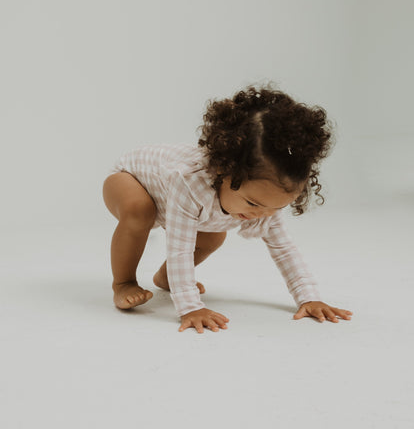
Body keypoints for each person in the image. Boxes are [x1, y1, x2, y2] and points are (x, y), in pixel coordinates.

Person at [102, 83, 353, 333]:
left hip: (173, 199)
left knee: (213, 237)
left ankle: (166, 278)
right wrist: (190, 306)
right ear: (224, 170)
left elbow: (284, 250)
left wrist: (308, 297)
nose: (261, 215)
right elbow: (180, 248)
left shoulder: (265, 206)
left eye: (276, 208)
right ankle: (123, 282)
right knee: (139, 211)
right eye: (253, 203)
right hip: (130, 180)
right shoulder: (187, 181)